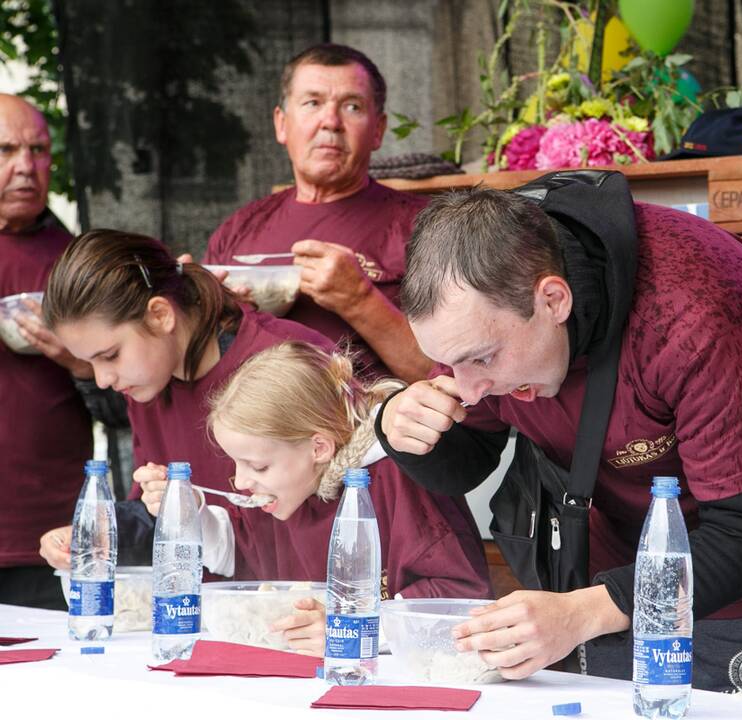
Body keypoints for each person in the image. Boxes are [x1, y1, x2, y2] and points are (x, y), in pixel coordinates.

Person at [376, 179, 742, 702]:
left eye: (481, 360)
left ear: (553, 299)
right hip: (604, 582)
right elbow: (466, 465)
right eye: (449, 362)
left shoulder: (695, 308)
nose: (467, 387)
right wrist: (399, 427)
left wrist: (582, 612)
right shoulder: (477, 313)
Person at [35, 231, 484, 601]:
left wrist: (352, 617)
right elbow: (231, 535)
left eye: (109, 354)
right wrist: (101, 535)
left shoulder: (284, 365)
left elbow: (358, 501)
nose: (104, 379)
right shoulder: (145, 385)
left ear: (160, 315)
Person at [134, 341, 491, 655]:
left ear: (318, 447)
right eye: (236, 463)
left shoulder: (396, 478)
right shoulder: (289, 488)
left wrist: (352, 628)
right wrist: (192, 516)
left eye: (257, 466)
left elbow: (458, 597)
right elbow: (243, 553)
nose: (241, 481)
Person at [204, 43, 430, 383]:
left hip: (382, 428)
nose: (331, 122)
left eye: (352, 106)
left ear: (378, 130)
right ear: (281, 124)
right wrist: (205, 317)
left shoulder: (425, 228)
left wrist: (360, 299)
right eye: (312, 103)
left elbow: (455, 378)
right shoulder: (237, 233)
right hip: (260, 429)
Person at [0, 94, 94, 609]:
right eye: (6, 149)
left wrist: (79, 361)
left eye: (37, 151)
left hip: (45, 534)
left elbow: (132, 407)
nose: (25, 167)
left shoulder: (75, 260)